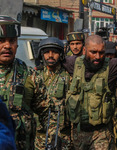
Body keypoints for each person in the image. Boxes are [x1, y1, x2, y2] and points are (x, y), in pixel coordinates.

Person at [0, 15, 36, 150]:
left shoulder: (30, 75)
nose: (7, 46)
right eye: (1, 40)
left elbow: (48, 112)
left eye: (12, 41)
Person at [32, 37, 71, 149]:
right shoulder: (34, 76)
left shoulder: (68, 77)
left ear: (60, 54)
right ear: (41, 54)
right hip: (40, 135)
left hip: (62, 136)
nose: (50, 55)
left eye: (54, 52)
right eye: (47, 52)